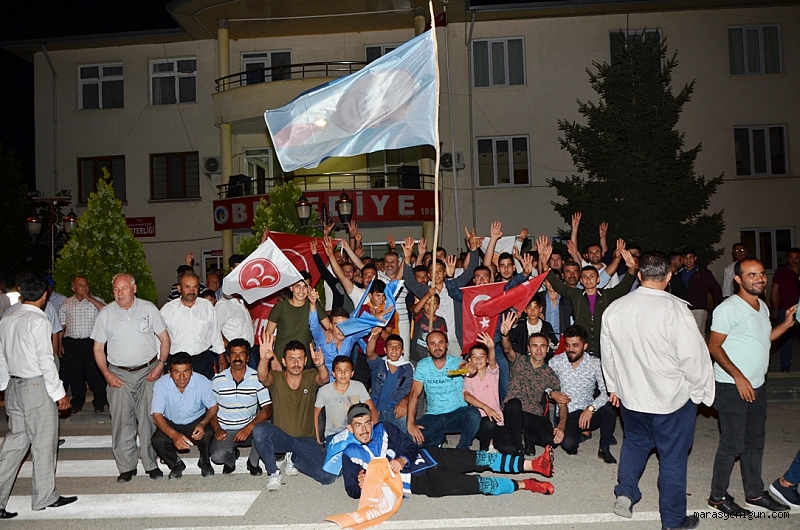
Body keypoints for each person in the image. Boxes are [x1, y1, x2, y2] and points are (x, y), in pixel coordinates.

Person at [601, 252, 715, 530]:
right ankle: (673, 521)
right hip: (670, 400)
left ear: (639, 275)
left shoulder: (615, 308)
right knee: (673, 459)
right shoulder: (676, 310)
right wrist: (701, 392)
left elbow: (608, 355)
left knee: (635, 442)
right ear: (669, 276)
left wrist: (614, 387)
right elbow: (693, 358)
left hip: (632, 396)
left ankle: (626, 490)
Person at [707, 258, 796, 514]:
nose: (759, 279)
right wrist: (738, 377)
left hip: (757, 385)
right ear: (738, 279)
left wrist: (785, 325)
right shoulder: (728, 308)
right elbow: (714, 346)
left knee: (755, 443)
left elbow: (762, 339)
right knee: (732, 444)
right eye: (751, 274)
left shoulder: (761, 306)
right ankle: (717, 497)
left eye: (761, 274)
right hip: (732, 386)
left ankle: (754, 494)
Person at [341, 404, 555, 499]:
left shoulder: (384, 429)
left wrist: (403, 459)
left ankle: (535, 465)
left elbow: (411, 446)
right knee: (480, 485)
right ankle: (526, 484)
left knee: (481, 458)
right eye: (358, 425)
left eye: (367, 423)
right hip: (422, 482)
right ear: (350, 428)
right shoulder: (350, 454)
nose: (365, 429)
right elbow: (352, 490)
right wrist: (363, 487)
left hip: (430, 454)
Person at [0, 273, 76, 518]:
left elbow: (1, 355)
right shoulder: (38, 319)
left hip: (14, 385)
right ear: (45, 295)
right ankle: (44, 496)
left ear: (22, 293)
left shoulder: (7, 317)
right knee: (44, 443)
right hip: (35, 385)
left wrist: (4, 385)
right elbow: (45, 359)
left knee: (15, 444)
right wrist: (59, 393)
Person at [91, 273, 171, 482]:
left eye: (124, 288)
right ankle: (126, 467)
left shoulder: (148, 309)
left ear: (134, 289)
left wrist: (160, 364)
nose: (120, 293)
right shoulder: (106, 313)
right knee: (121, 421)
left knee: (149, 420)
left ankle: (151, 463)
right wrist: (106, 374)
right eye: (116, 289)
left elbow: (165, 339)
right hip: (118, 374)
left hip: (148, 372)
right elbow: (98, 348)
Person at [253, 333, 336, 490]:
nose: (296, 363)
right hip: (282, 438)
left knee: (327, 477)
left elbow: (324, 379)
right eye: (291, 359)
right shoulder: (277, 378)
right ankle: (273, 472)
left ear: (305, 361)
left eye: (299, 359)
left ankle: (295, 459)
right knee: (259, 430)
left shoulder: (310, 376)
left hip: (306, 439)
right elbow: (263, 377)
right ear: (284, 361)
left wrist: (320, 365)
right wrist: (264, 359)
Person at [544, 242, 637, 357]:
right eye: (585, 277)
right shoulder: (576, 295)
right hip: (582, 349)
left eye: (592, 276)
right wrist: (544, 263)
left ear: (598, 279)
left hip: (604, 348)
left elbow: (623, 288)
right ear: (581, 281)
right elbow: (556, 284)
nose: (588, 280)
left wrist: (632, 268)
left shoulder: (606, 295)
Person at [499, 313, 567, 456]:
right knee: (514, 404)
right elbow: (507, 349)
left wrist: (561, 426)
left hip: (532, 416)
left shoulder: (550, 374)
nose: (539, 350)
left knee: (554, 440)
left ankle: (528, 435)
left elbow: (562, 403)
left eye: (542, 346)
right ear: (529, 348)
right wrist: (505, 335)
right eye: (535, 346)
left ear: (547, 349)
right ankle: (518, 447)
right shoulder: (518, 361)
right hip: (513, 413)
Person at [549, 325, 617, 462]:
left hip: (587, 411)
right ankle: (582, 434)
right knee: (569, 445)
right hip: (566, 413)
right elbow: (544, 384)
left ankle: (604, 448)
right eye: (567, 345)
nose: (570, 349)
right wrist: (552, 393)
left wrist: (591, 408)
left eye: (575, 345)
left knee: (611, 407)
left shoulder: (595, 363)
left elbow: (606, 392)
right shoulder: (555, 362)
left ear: (585, 346)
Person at [406, 331, 481, 450]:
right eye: (432, 343)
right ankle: (438, 439)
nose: (437, 347)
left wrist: (468, 367)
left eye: (441, 342)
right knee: (409, 440)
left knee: (473, 414)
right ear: (427, 347)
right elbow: (414, 394)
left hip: (457, 414)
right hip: (433, 416)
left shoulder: (455, 361)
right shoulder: (423, 365)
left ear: (446, 345)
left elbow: (463, 366)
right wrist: (410, 424)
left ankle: (462, 449)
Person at [151, 352, 218, 479]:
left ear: (192, 371)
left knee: (208, 433)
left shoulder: (202, 381)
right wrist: (174, 435)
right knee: (157, 441)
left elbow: (213, 407)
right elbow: (157, 415)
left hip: (195, 419)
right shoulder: (161, 384)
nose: (182, 377)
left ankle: (205, 461)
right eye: (176, 372)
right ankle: (176, 464)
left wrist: (202, 424)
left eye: (186, 371)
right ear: (170, 373)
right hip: (171, 421)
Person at [211, 339, 272, 476]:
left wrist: (249, 427)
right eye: (233, 354)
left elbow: (267, 408)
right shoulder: (217, 381)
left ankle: (253, 462)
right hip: (226, 429)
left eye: (242, 354)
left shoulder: (257, 377)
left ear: (248, 358)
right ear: (228, 358)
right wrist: (217, 428)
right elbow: (211, 410)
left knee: (266, 430)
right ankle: (231, 457)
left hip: (250, 427)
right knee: (217, 457)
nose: (237, 358)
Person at [57, 275, 107, 414]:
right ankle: (77, 402)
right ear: (73, 288)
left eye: (85, 284)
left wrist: (90, 299)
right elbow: (62, 326)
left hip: (91, 343)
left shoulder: (97, 301)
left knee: (95, 373)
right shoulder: (66, 303)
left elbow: (107, 312)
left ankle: (99, 402)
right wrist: (60, 344)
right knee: (75, 374)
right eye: (80, 285)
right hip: (72, 343)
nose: (84, 287)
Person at [160, 272, 224, 380]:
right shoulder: (167, 310)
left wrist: (221, 354)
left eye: (195, 287)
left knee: (205, 389)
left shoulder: (207, 306)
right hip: (176, 363)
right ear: (179, 288)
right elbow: (159, 339)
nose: (191, 291)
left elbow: (214, 333)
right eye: (187, 287)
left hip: (203, 362)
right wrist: (160, 363)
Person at [265, 271, 330, 369]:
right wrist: (273, 360)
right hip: (281, 362)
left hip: (305, 363)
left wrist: (329, 332)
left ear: (309, 289)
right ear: (291, 288)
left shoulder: (314, 306)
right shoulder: (280, 307)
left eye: (305, 287)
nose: (301, 290)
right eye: (297, 286)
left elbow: (330, 327)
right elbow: (267, 336)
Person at [314, 355, 377, 443]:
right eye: (339, 370)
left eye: (347, 370)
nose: (343, 374)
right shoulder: (324, 391)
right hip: (333, 435)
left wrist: (374, 432)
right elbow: (316, 415)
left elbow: (372, 409)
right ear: (333, 373)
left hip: (355, 433)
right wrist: (317, 439)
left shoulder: (358, 387)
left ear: (352, 373)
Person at [463, 333, 504, 452]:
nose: (478, 359)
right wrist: (486, 407)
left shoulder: (492, 373)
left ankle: (492, 442)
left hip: (496, 418)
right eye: (474, 357)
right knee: (488, 423)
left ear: (486, 359)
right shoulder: (469, 377)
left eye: (482, 356)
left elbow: (493, 361)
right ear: (469, 360)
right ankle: (483, 451)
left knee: (509, 448)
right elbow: (467, 396)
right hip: (479, 422)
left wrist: (491, 348)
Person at [365, 333, 413, 431]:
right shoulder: (379, 364)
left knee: (404, 413)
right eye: (390, 347)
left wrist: (405, 400)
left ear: (402, 351)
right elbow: (369, 353)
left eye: (398, 347)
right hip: (375, 412)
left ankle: (401, 439)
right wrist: (375, 335)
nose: (394, 350)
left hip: (393, 412)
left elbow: (412, 390)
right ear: (385, 350)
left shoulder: (408, 368)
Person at [671, 248, 722, 335]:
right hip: (683, 309)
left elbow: (715, 289)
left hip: (699, 308)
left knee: (698, 335)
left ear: (695, 258)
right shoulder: (679, 273)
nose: (688, 260)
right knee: (684, 334)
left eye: (691, 257)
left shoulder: (704, 273)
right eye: (686, 257)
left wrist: (717, 306)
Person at [770, 247, 800, 372]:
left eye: (797, 258)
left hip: (799, 309)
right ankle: (785, 364)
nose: (794, 260)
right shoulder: (781, 272)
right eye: (791, 258)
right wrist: (775, 308)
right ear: (787, 258)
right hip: (785, 309)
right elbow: (774, 290)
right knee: (785, 338)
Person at [215, 292, 256, 367]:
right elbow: (215, 329)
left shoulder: (241, 303)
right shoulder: (224, 305)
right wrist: (224, 351)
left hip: (248, 351)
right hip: (233, 354)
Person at [410, 291, 447, 365]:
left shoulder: (441, 321)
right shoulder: (420, 316)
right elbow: (416, 310)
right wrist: (428, 295)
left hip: (433, 359)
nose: (430, 305)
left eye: (434, 303)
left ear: (438, 306)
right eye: (427, 302)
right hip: (416, 358)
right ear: (423, 305)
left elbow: (444, 339)